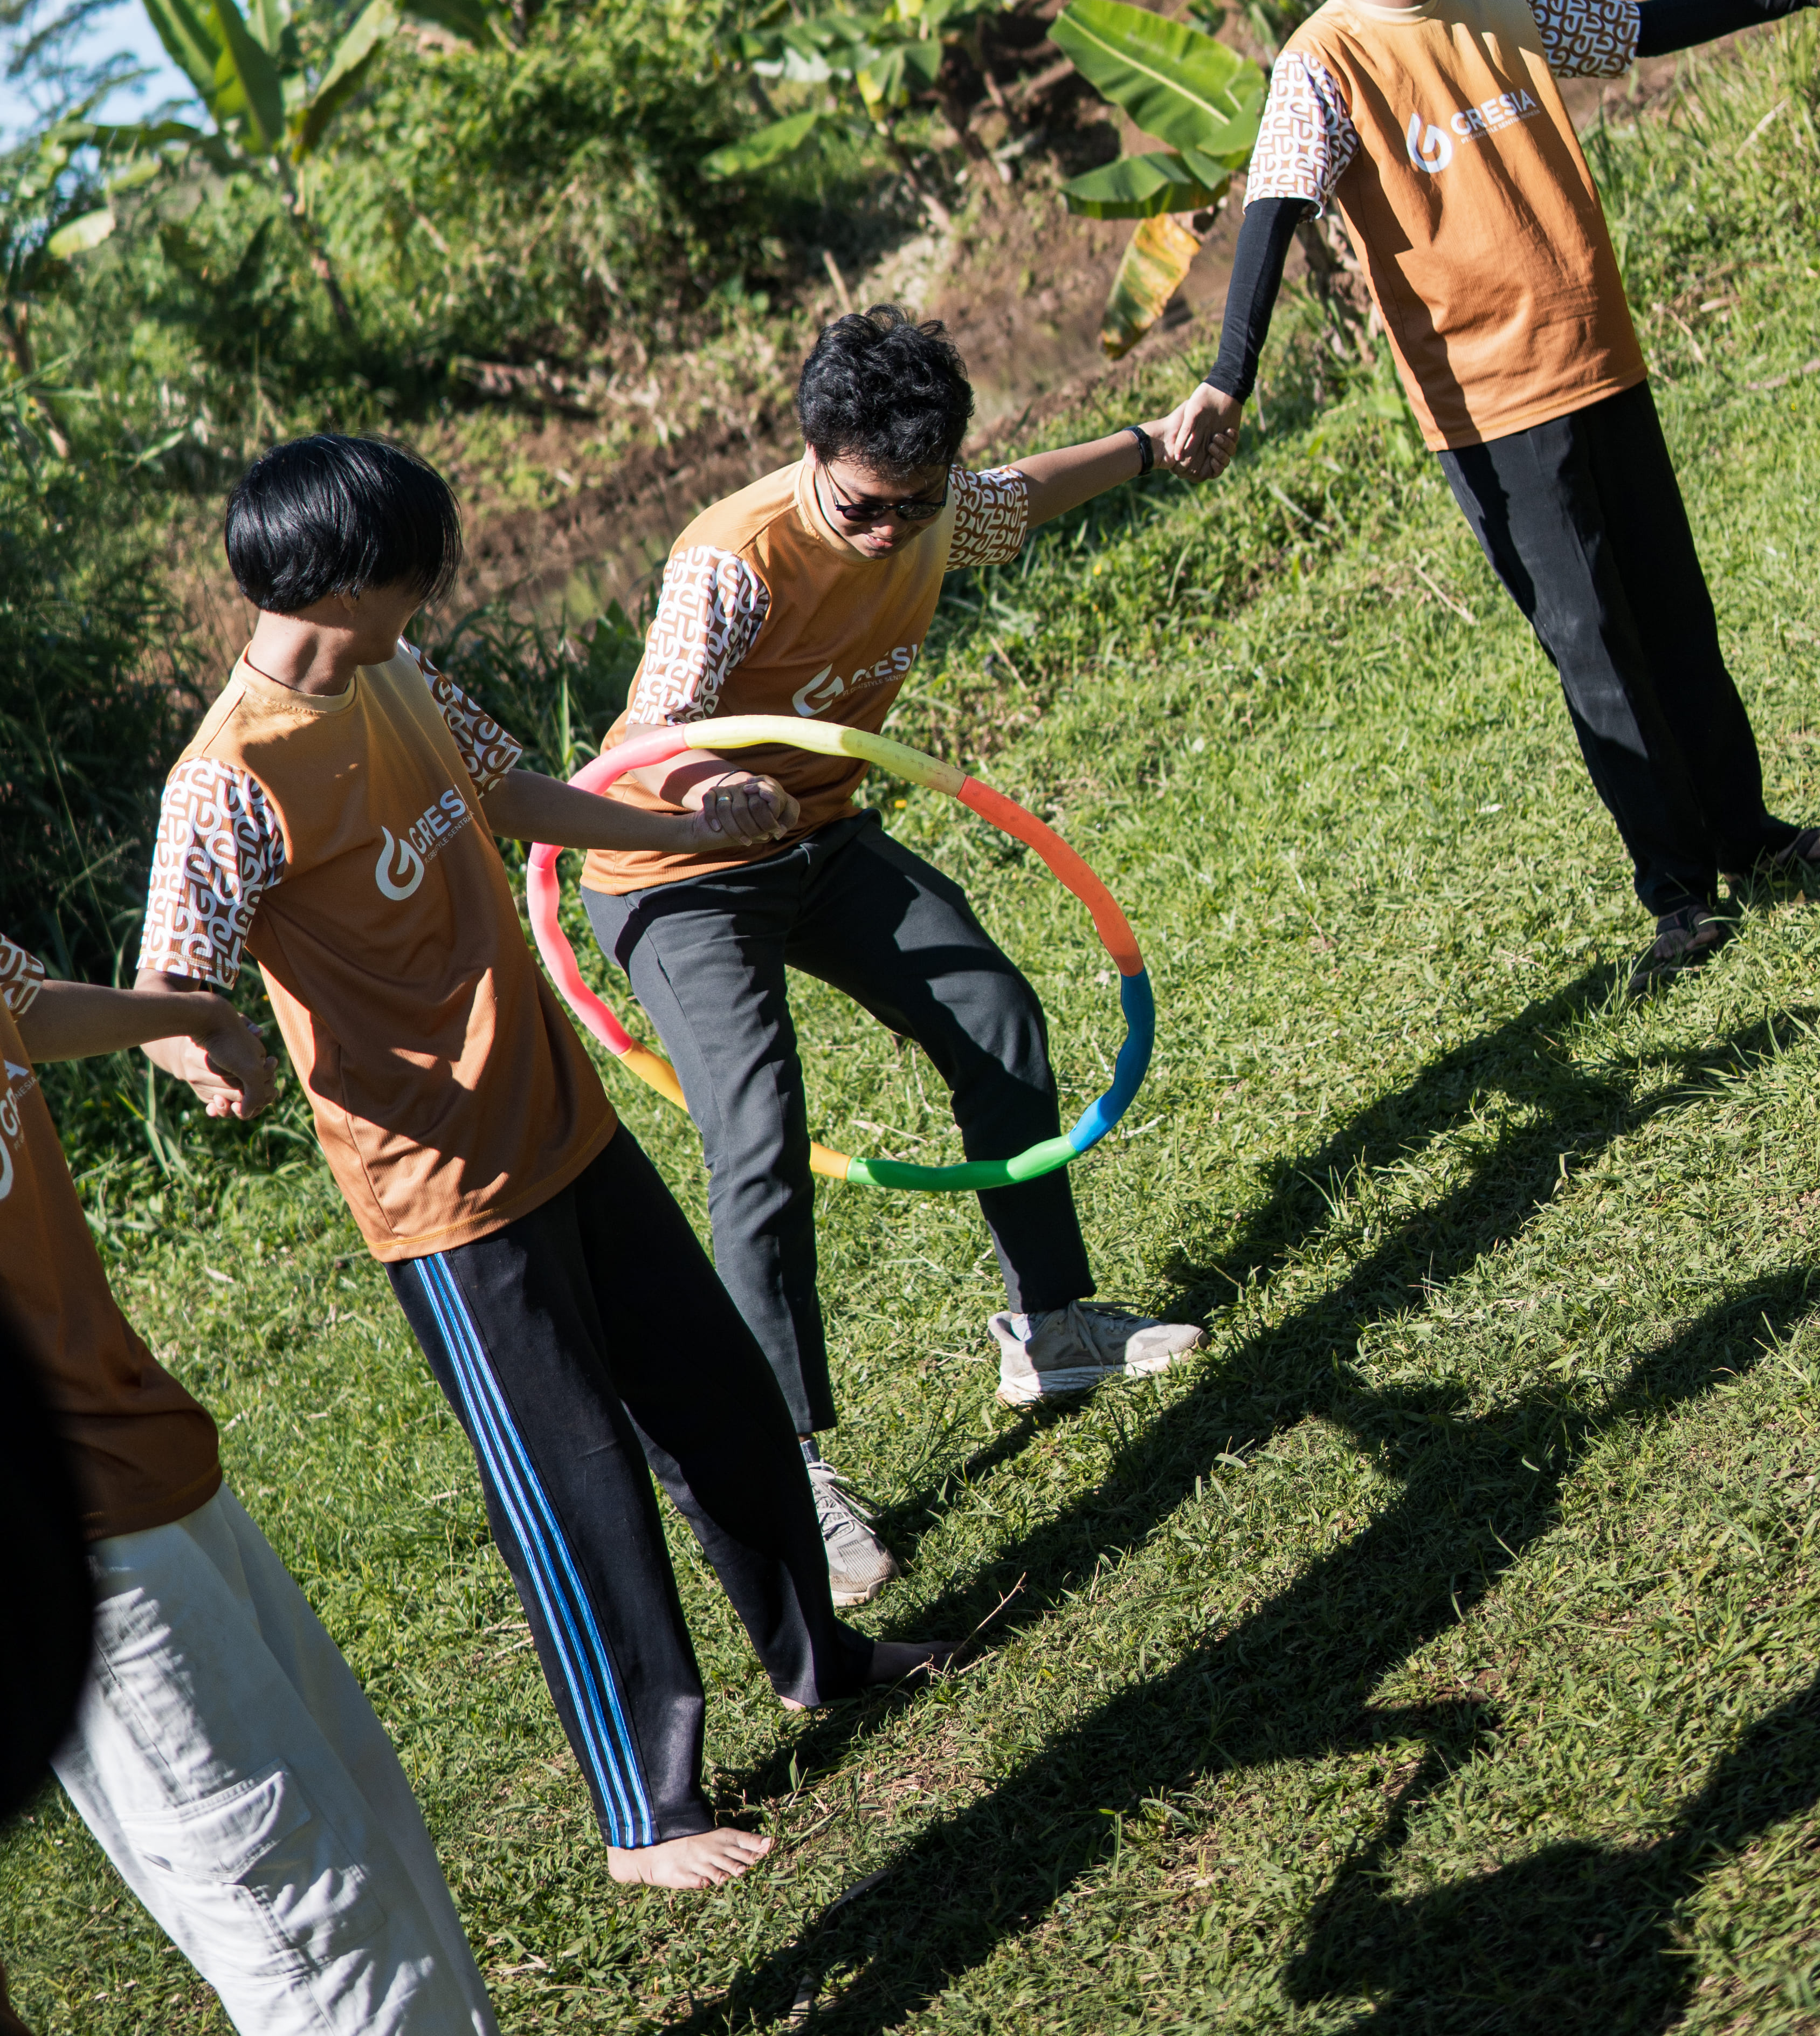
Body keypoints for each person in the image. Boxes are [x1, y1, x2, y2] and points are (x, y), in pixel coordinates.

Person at [135, 434, 945, 1900]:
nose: (432, 583)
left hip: (562, 1117)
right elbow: (174, 980)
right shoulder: (227, 779)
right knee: (577, 1495)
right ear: (346, 575)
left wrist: (672, 825)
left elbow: (511, 794)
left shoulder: (401, 676)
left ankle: (822, 1658)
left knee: (717, 1396)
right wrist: (210, 1053)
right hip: (445, 1198)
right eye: (416, 563)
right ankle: (650, 1809)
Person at [578, 304, 1206, 1609]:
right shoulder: (733, 559)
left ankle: (1054, 1329)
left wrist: (1154, 441)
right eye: (866, 506)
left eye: (915, 505)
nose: (888, 531)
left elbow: (1022, 497)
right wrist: (713, 787)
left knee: (995, 1013)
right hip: (677, 872)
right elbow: (650, 729)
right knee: (757, 1135)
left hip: (818, 838)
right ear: (817, 453)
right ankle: (787, 1466)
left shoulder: (933, 514)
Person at [1159, 0, 1820, 992]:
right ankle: (1676, 897)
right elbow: (1273, 211)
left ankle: (1749, 837)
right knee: (1595, 651)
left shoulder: (1500, 0)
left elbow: (1632, 28)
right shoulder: (1321, 64)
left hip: (1599, 361)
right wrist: (1226, 383)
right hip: (1490, 405)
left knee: (1675, 618)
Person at [0, 927, 501, 2033]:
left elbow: (21, 1006)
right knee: (298, 1903)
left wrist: (181, 1017)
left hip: (143, 1443)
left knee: (356, 1803)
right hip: (59, 1527)